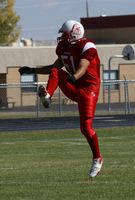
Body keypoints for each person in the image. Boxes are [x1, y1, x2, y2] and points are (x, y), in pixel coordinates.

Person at [19, 20, 103, 178]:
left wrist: (74, 77)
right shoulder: (64, 47)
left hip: (89, 89)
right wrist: (32, 70)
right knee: (56, 71)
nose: (61, 38)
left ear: (74, 34)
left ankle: (97, 158)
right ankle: (48, 96)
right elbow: (54, 67)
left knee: (85, 128)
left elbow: (83, 67)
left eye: (64, 35)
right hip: (74, 84)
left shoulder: (87, 46)